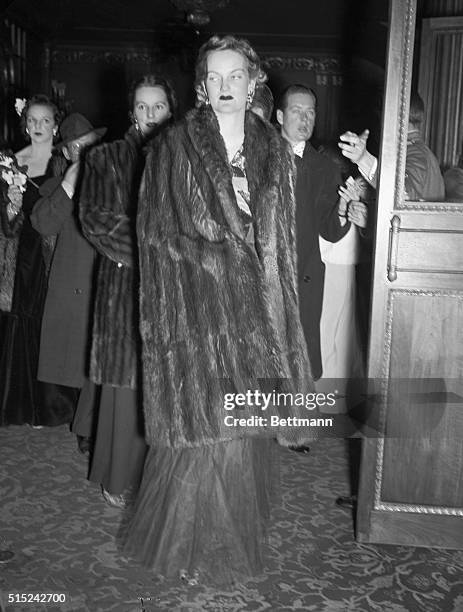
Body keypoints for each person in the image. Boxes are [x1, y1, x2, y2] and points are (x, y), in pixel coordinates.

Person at [121, 35, 314, 587]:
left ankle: (225, 544)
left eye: (237, 76)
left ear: (253, 82)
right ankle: (186, 548)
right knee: (199, 445)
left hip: (255, 321)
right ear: (202, 86)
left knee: (239, 445)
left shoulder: (274, 149)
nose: (226, 87)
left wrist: (282, 325)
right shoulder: (174, 146)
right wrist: (210, 264)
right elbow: (153, 236)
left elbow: (279, 246)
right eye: (215, 77)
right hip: (198, 318)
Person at [77, 75, 177, 506]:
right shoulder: (106, 157)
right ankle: (117, 478)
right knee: (124, 392)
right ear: (131, 111)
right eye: (142, 107)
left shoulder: (185, 158)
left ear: (171, 111)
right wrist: (153, 246)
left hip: (174, 294)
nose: (150, 116)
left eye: (158, 107)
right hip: (123, 294)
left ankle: (158, 483)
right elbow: (95, 221)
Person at [30, 113, 106, 451]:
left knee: (100, 360)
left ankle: (93, 424)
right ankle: (83, 425)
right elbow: (42, 224)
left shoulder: (112, 181)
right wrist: (69, 186)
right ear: (66, 152)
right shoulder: (55, 186)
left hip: (104, 283)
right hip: (71, 286)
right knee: (75, 359)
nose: (84, 151)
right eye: (77, 147)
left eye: (89, 144)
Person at [0, 95, 77, 427]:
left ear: (56, 125)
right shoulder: (11, 162)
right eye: (32, 120)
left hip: (55, 250)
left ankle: (54, 405)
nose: (38, 126)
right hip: (22, 254)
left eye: (45, 120)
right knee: (23, 318)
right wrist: (12, 207)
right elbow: (6, 223)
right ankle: (22, 405)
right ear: (24, 123)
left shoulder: (64, 161)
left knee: (53, 321)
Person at [276, 84, 351, 382]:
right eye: (297, 111)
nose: (304, 119)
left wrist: (343, 208)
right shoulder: (256, 158)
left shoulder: (323, 166)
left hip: (304, 276)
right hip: (262, 275)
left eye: (310, 113)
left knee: (299, 369)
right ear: (280, 115)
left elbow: (330, 230)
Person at [338, 92, 445, 201]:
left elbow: (403, 194)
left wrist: (364, 159)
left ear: (394, 116)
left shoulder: (415, 153)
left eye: (382, 115)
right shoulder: (418, 151)